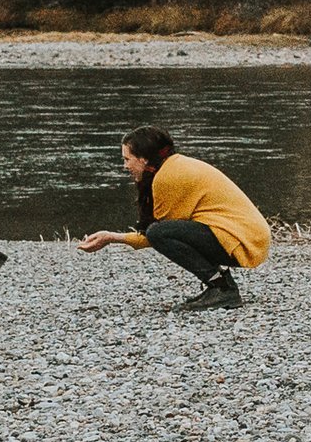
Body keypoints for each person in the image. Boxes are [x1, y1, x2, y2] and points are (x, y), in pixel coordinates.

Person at [75, 125, 271, 309]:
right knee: (161, 231)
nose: (125, 166)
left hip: (243, 242)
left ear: (143, 159)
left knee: (159, 233)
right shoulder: (174, 165)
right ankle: (221, 285)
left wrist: (111, 238)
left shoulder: (167, 178)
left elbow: (157, 235)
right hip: (249, 237)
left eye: (127, 159)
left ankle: (221, 288)